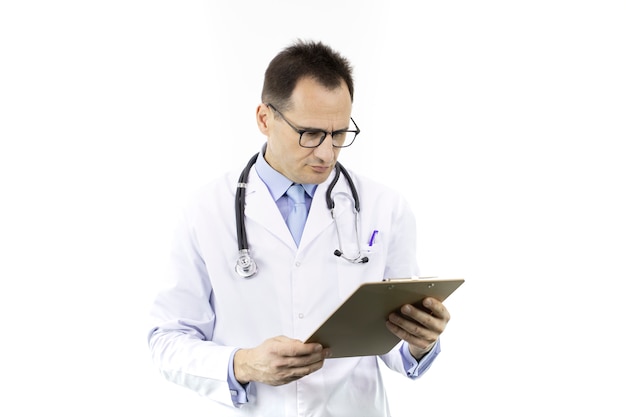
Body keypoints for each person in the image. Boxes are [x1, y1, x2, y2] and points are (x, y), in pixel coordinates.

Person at [148, 39, 452, 416]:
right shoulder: (205, 210)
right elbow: (167, 338)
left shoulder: (385, 208)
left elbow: (393, 343)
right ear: (265, 119)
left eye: (339, 134)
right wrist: (242, 364)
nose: (327, 153)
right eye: (310, 134)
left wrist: (419, 342)